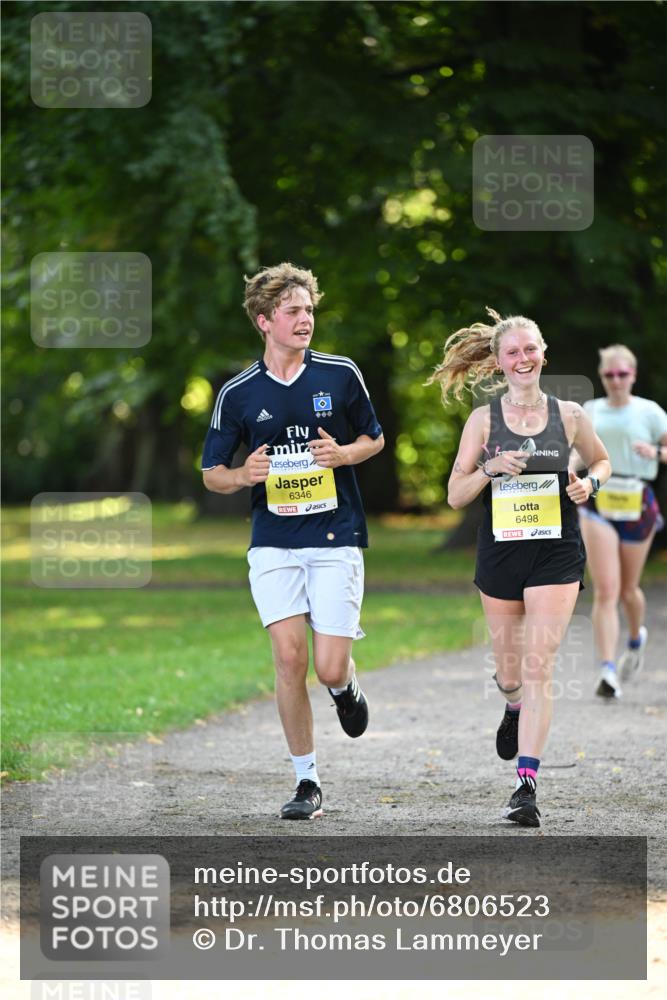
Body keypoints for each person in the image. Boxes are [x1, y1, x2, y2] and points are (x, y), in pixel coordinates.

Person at [202, 263, 384, 820]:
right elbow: (212, 471)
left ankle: (345, 686)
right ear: (265, 321)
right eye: (293, 312)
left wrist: (343, 454)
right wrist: (243, 475)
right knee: (288, 657)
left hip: (335, 535)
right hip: (274, 540)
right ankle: (307, 781)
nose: (306, 320)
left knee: (327, 667)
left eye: (309, 310)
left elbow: (373, 440)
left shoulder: (340, 374)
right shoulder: (238, 393)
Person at [428, 308, 610, 827]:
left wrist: (588, 485)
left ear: (543, 354)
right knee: (511, 674)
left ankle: (525, 787)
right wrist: (489, 467)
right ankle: (511, 707)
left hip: (557, 550)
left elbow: (600, 461)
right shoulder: (483, 421)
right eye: (513, 351)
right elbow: (455, 494)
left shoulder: (569, 414)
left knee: (538, 667)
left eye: (531, 349)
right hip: (502, 554)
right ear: (500, 361)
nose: (523, 358)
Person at [574, 345, 667, 699]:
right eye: (609, 375)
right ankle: (607, 670)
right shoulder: (590, 410)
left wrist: (656, 453)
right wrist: (568, 467)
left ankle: (635, 637)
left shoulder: (650, 411)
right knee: (607, 590)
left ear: (633, 374)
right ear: (602, 376)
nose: (616, 380)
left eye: (622, 374)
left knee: (629, 590)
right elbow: (575, 447)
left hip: (637, 498)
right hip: (598, 500)